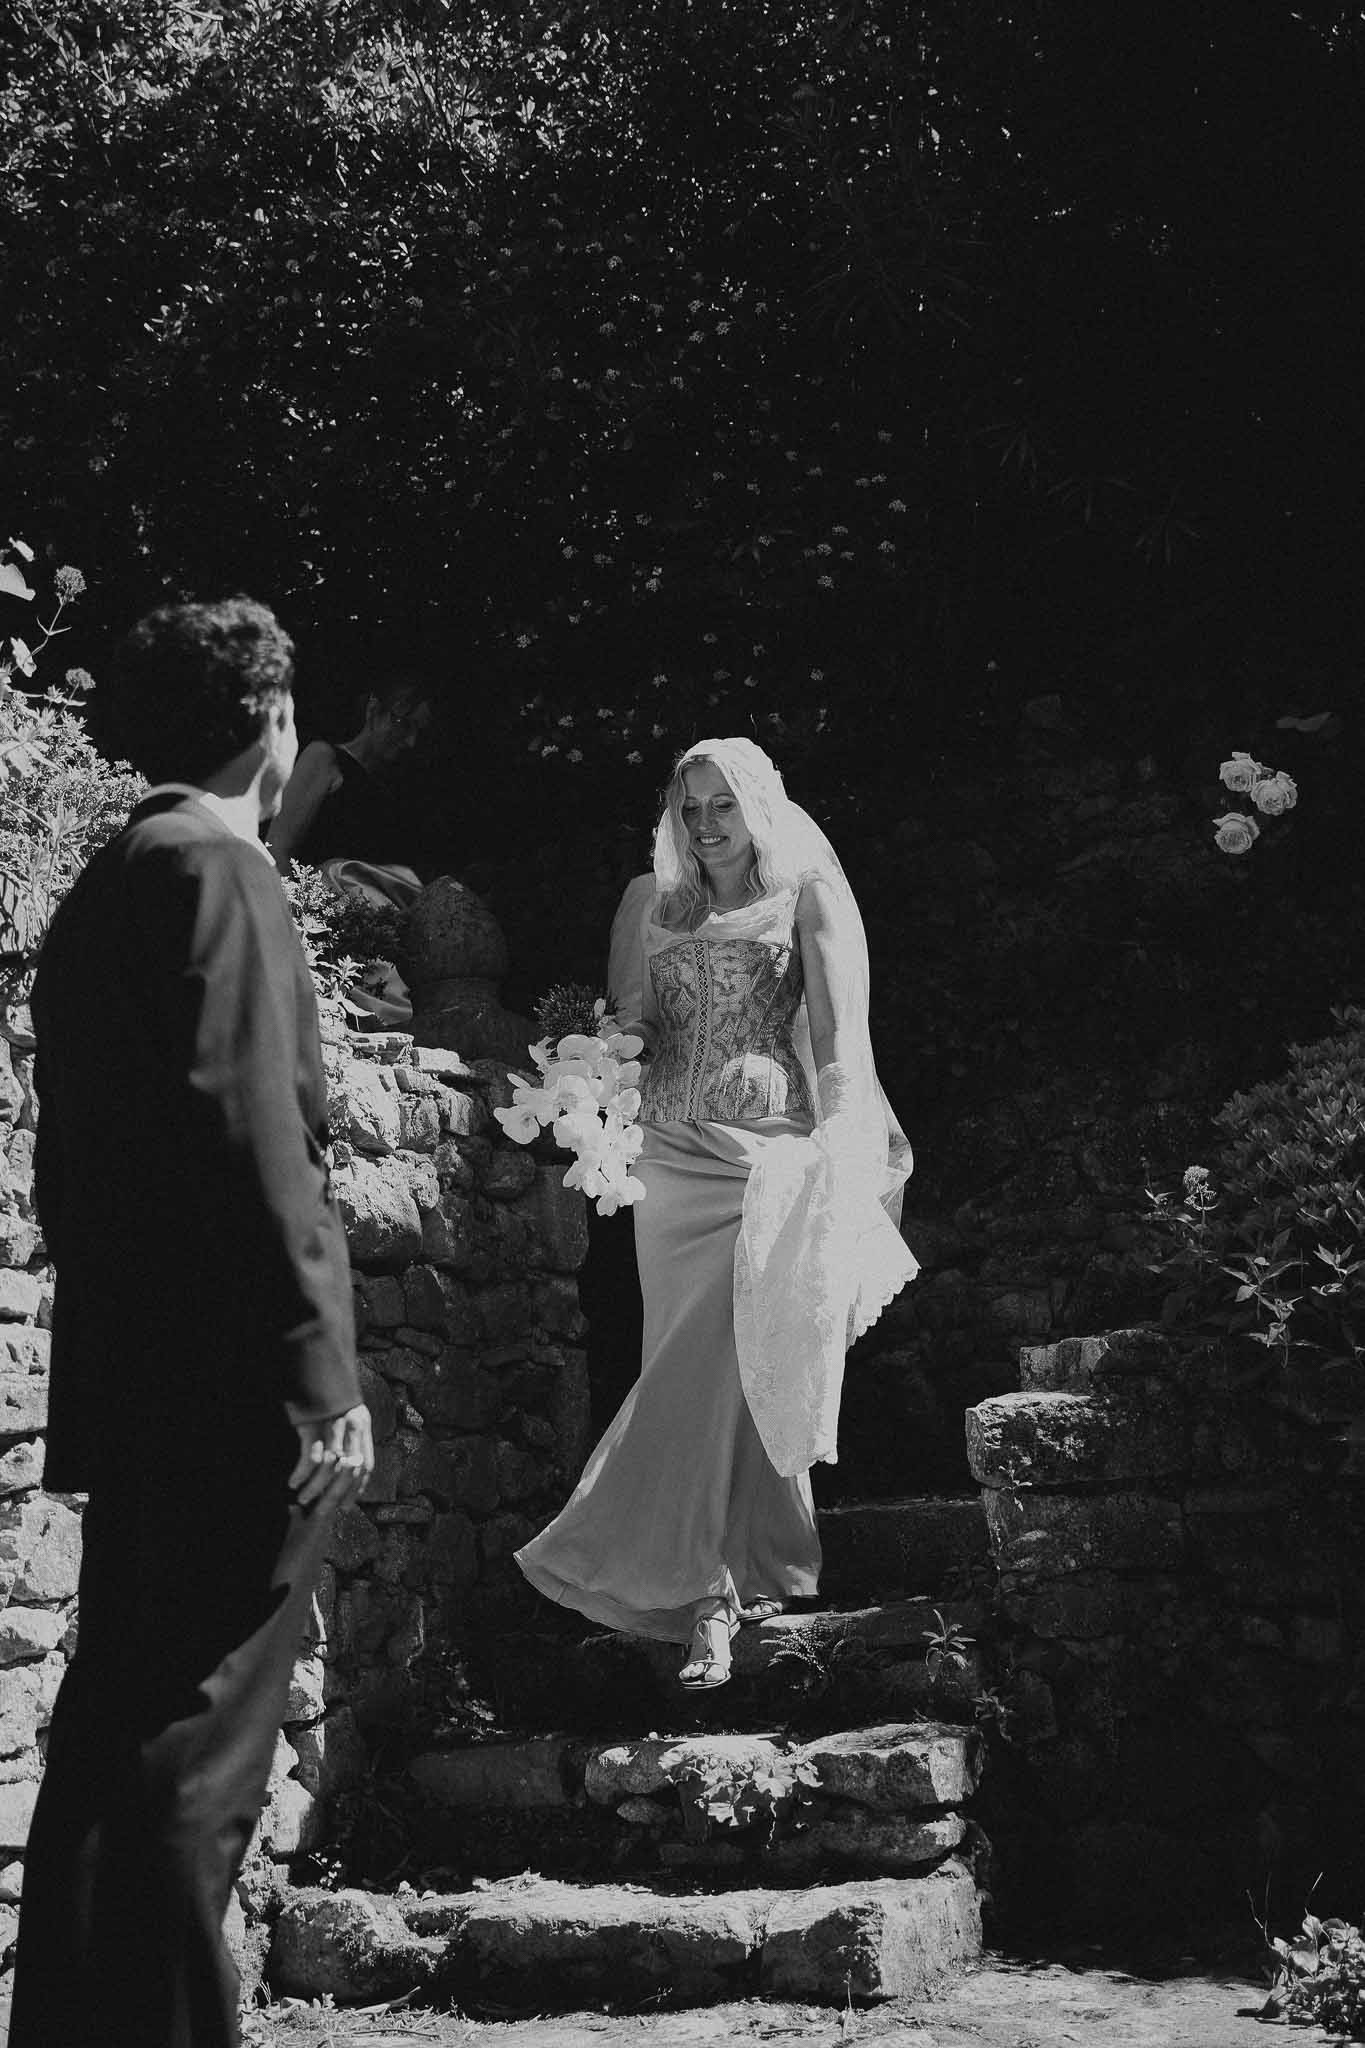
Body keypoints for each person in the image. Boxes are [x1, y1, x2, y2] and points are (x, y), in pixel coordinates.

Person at [9, 597, 374, 2048]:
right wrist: (318, 1374)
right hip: (234, 1392)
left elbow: (74, 1161)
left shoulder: (107, 883)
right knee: (201, 1762)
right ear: (273, 725)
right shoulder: (218, 870)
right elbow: (252, 1137)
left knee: (115, 1741)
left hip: (145, 1385)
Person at [516, 737, 916, 1689]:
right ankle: (730, 1578)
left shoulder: (805, 896)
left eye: (720, 804)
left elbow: (835, 1035)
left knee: (750, 1358)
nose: (703, 823)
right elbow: (636, 1017)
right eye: (689, 805)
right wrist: (599, 1055)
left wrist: (843, 1138)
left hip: (768, 1156)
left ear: (759, 807)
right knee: (690, 1359)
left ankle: (710, 1594)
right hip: (668, 1160)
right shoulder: (645, 902)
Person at [266, 671, 432, 875]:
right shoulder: (325, 758)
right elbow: (277, 851)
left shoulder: (393, 793)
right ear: (373, 708)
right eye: (404, 724)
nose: (411, 741)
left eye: (419, 733)